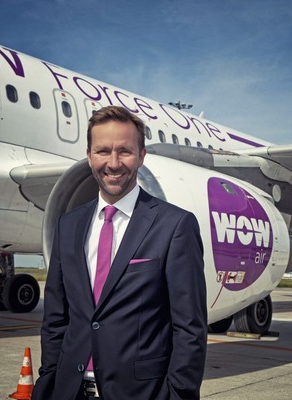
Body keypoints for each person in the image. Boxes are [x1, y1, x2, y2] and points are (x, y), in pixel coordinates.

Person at [32, 105, 207, 400]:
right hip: (69, 391)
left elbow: (190, 329)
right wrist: (48, 380)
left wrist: (178, 395)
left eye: (124, 151)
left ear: (141, 156)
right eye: (102, 151)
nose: (113, 163)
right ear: (89, 156)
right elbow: (56, 318)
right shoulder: (69, 225)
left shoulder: (175, 225)